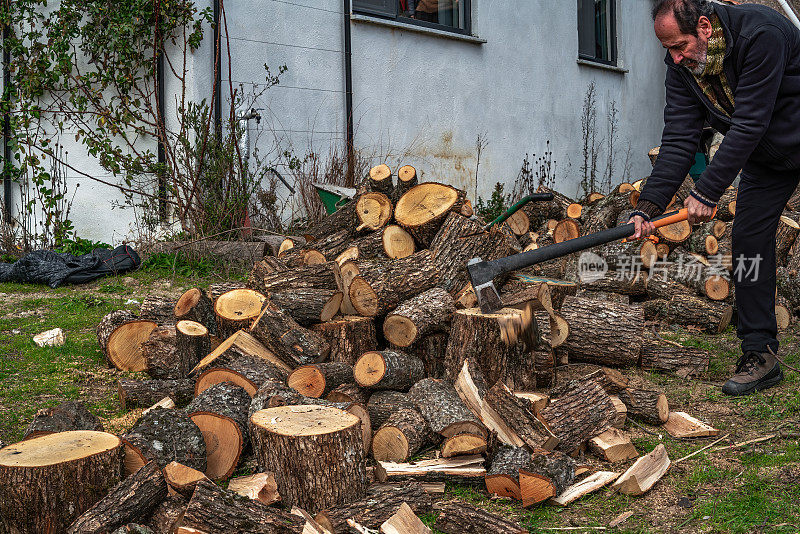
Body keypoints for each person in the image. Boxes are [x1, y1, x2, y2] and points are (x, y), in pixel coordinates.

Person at [629, 0, 800, 395]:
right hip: (768, 158)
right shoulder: (682, 69)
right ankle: (760, 353)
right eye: (667, 49)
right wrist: (648, 207)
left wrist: (707, 189)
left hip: (777, 135)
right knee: (749, 241)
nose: (674, 57)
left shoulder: (761, 35)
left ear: (704, 27)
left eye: (680, 45)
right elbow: (678, 141)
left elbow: (751, 120)